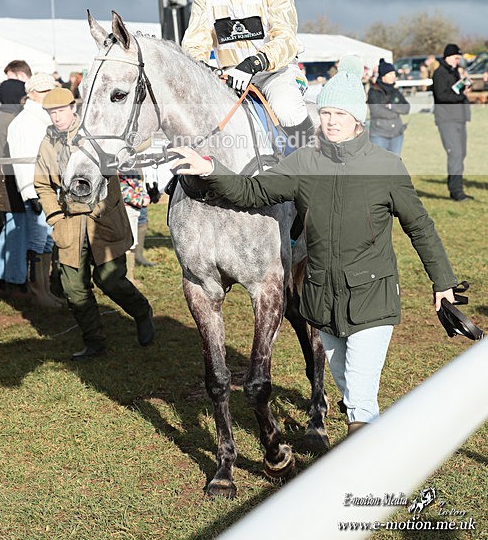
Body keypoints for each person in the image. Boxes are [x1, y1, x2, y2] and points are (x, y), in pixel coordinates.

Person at [169, 56, 458, 435]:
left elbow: (420, 226)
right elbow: (253, 191)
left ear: (358, 120)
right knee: (344, 381)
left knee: (360, 400)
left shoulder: (386, 166)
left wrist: (443, 282)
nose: (332, 120)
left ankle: (364, 479)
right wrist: (211, 170)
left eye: (341, 113)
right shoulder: (304, 162)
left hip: (372, 295)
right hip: (322, 301)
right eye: (326, 113)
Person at [34, 88, 155, 359]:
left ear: (73, 108)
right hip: (70, 224)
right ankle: (94, 343)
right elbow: (42, 184)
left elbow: (136, 143)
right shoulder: (48, 143)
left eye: (61, 111)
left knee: (110, 279)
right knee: (74, 290)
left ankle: (141, 311)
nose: (57, 117)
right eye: (52, 113)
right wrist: (54, 216)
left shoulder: (96, 131)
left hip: (103, 220)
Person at [181, 0, 313, 148]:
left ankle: (314, 168)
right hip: (229, 79)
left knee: (286, 110)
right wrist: (207, 71)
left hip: (274, 74)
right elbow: (193, 45)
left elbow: (286, 39)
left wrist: (253, 64)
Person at [7, 72, 61, 307]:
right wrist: (30, 192)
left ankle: (45, 290)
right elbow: (23, 160)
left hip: (50, 187)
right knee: (38, 240)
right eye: (44, 91)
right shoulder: (24, 122)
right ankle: (38, 291)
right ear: (32, 93)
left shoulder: (43, 117)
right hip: (37, 189)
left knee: (47, 240)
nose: (49, 95)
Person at [0, 79, 28, 301]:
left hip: (1, 184)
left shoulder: (0, 117)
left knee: (8, 232)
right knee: (16, 234)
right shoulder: (11, 120)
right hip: (9, 185)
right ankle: (13, 283)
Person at [431, 43, 472, 202]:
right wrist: (461, 96)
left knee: (461, 154)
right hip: (447, 120)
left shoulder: (454, 73)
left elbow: (454, 93)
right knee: (455, 153)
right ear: (448, 56)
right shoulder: (440, 73)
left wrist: (463, 90)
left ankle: (457, 188)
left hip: (459, 119)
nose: (457, 61)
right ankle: (456, 191)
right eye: (456, 58)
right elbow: (442, 96)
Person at [367, 58, 411, 155]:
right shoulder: (374, 91)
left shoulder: (395, 91)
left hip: (397, 134)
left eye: (394, 74)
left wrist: (391, 107)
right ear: (383, 76)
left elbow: (406, 108)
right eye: (390, 74)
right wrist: (396, 113)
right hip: (379, 134)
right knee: (379, 166)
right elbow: (376, 111)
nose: (393, 76)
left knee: (394, 166)